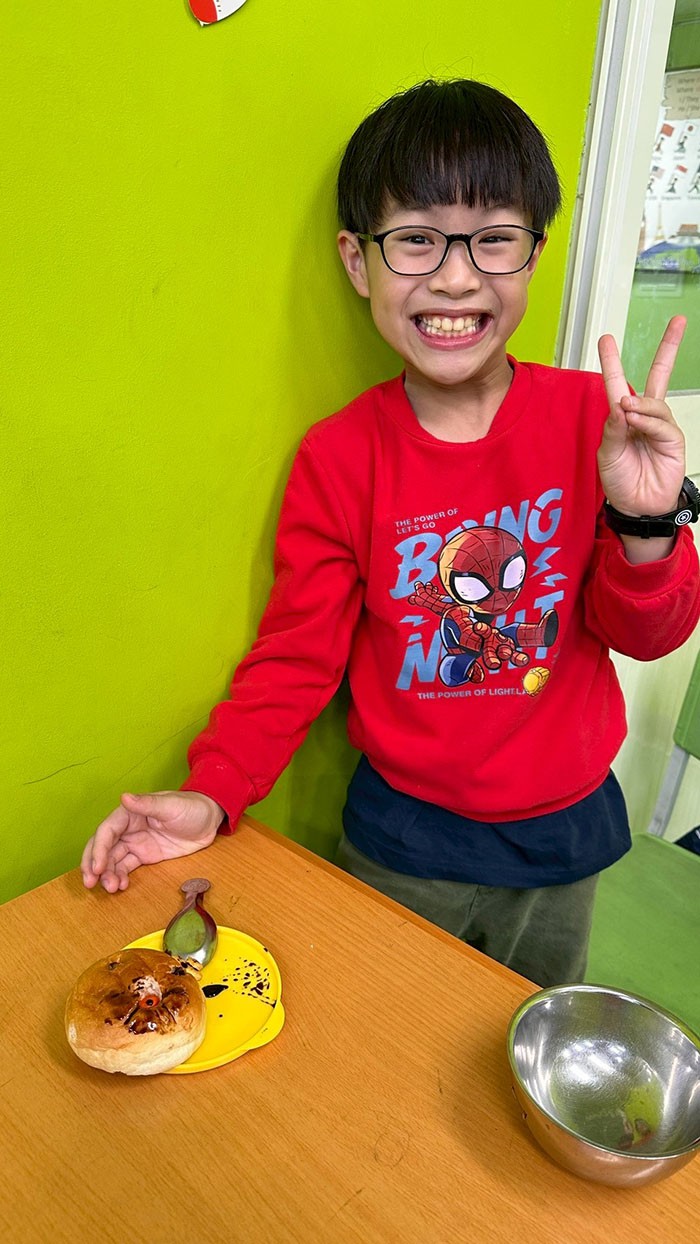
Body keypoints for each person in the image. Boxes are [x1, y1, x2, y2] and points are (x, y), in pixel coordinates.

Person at [81, 79, 700, 986]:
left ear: (534, 254)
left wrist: (647, 520)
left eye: (493, 237)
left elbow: (647, 635)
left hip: (563, 840)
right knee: (387, 1044)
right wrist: (213, 790)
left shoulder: (590, 422)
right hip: (403, 842)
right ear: (358, 260)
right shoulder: (339, 457)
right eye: (416, 239)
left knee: (527, 1035)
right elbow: (296, 658)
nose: (456, 276)